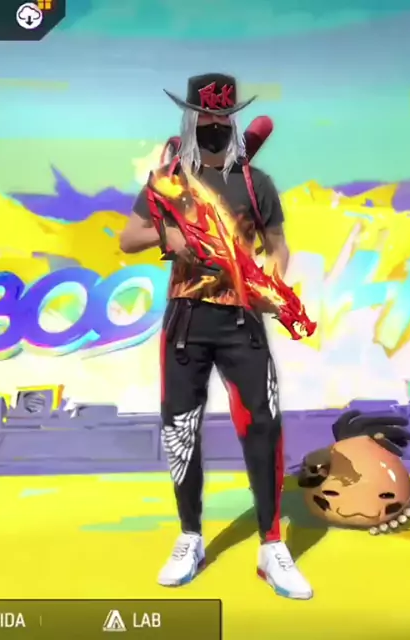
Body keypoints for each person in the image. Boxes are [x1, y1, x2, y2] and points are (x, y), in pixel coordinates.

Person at [120, 73, 312, 599]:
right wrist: (168, 234)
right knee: (180, 429)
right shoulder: (168, 182)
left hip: (242, 319)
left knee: (263, 426)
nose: (214, 125)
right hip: (186, 322)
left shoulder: (255, 182)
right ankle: (190, 537)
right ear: (190, 119)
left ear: (232, 120)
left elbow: (278, 243)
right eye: (205, 117)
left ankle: (271, 545)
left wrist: (273, 277)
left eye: (222, 118)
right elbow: (128, 238)